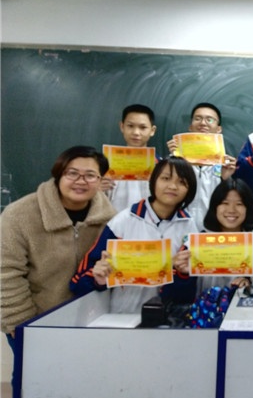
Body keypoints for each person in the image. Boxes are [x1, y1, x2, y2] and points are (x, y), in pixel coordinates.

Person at [1, 146, 115, 346]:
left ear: (100, 181)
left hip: (91, 323)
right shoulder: (18, 215)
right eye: (72, 173)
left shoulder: (111, 219)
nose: (81, 181)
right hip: (35, 321)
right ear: (58, 174)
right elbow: (6, 272)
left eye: (90, 175)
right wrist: (22, 323)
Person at [70, 156, 198, 313]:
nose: (173, 186)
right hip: (122, 316)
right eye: (165, 178)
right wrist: (98, 279)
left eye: (182, 182)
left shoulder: (189, 226)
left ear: (189, 189)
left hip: (166, 318)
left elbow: (187, 293)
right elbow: (80, 280)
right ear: (153, 181)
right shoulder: (124, 221)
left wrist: (183, 274)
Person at [173, 177, 253, 296]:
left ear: (248, 208)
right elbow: (176, 296)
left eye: (239, 204)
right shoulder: (196, 244)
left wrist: (249, 282)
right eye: (225, 203)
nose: (231, 210)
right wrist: (183, 275)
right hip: (202, 306)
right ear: (215, 207)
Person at [166, 102, 237, 229]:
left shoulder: (226, 163)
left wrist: (225, 179)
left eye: (210, 119)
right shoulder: (174, 159)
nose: (203, 123)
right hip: (178, 226)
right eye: (198, 118)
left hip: (212, 228)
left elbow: (230, 201)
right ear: (190, 126)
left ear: (218, 129)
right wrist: (173, 160)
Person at [102, 104, 159, 212]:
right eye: (130, 126)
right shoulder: (105, 163)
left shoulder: (161, 166)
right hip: (113, 220)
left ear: (152, 130)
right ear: (122, 127)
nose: (136, 132)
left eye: (143, 127)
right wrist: (97, 189)